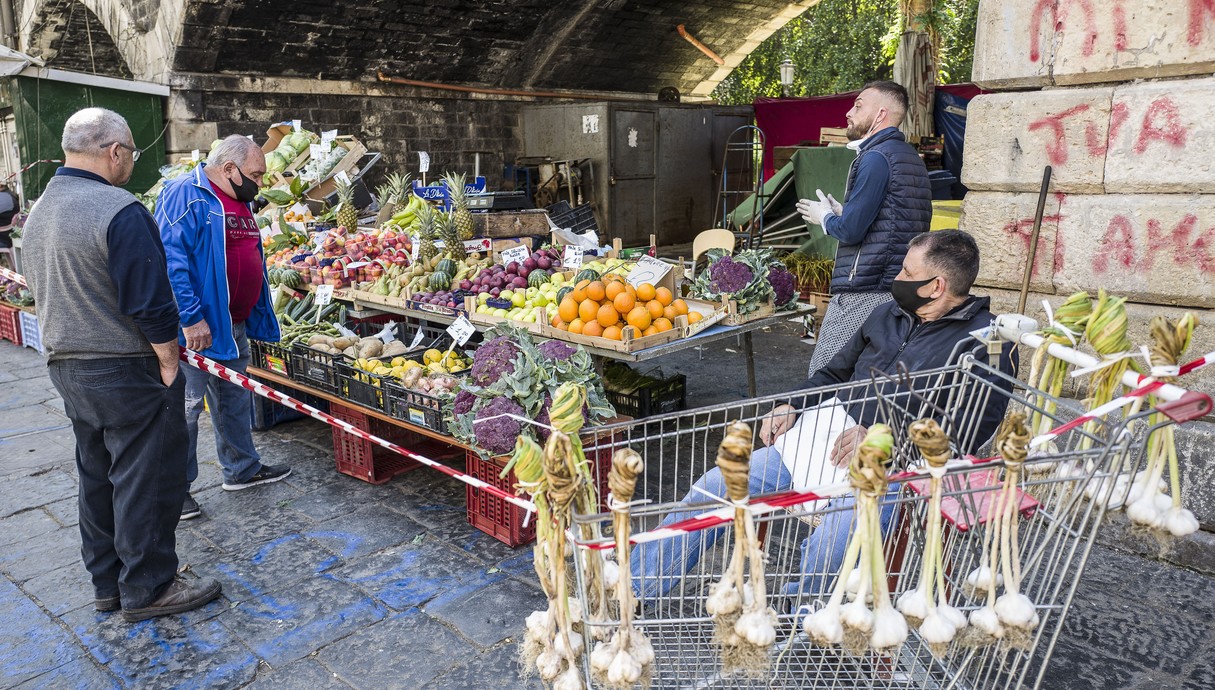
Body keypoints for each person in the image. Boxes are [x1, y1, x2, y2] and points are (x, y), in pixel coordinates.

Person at [631, 231, 1016, 601]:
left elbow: (969, 430)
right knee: (716, 485)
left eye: (908, 274)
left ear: (936, 286)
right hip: (824, 436)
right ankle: (634, 588)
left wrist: (888, 439)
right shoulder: (888, 314)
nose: (897, 279)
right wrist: (791, 406)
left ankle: (806, 624)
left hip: (896, 468)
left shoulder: (988, 343)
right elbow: (832, 374)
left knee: (837, 535)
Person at [21, 107, 222, 621]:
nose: (131, 161)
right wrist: (169, 360)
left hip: (67, 364)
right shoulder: (119, 208)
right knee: (147, 477)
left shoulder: (42, 208)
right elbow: (150, 302)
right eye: (131, 152)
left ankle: (107, 585)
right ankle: (149, 588)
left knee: (97, 476)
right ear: (114, 151)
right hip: (123, 367)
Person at [156, 134, 288, 517]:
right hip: (198, 329)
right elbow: (170, 260)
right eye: (255, 174)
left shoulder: (240, 199)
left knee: (233, 400)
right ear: (229, 168)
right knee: (186, 409)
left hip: (233, 325)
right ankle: (173, 494)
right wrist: (191, 317)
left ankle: (241, 470)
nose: (259, 183)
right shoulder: (186, 194)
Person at [797, 80, 933, 377]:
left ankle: (814, 424)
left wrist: (826, 218)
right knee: (867, 376)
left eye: (858, 105)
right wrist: (844, 212)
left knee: (825, 373)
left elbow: (850, 232)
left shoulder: (875, 157)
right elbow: (895, 220)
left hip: (865, 287)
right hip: (896, 286)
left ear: (881, 114)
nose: (849, 112)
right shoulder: (909, 157)